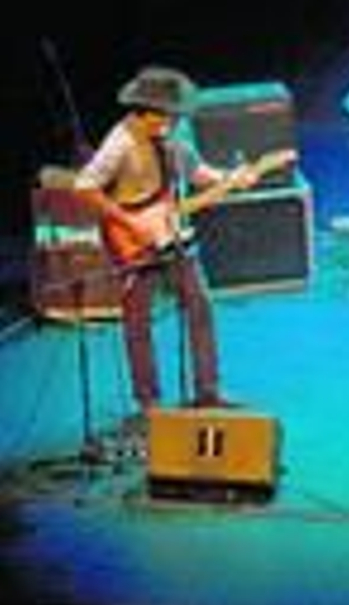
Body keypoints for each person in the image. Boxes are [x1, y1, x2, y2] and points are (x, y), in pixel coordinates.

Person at [73, 66, 257, 459]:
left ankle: (207, 391)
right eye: (166, 115)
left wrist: (232, 178)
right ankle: (149, 404)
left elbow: (196, 170)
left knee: (200, 306)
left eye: (175, 115)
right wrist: (130, 226)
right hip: (134, 240)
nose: (173, 122)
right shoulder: (119, 143)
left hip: (173, 233)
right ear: (143, 112)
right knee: (137, 323)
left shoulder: (173, 135)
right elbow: (85, 187)